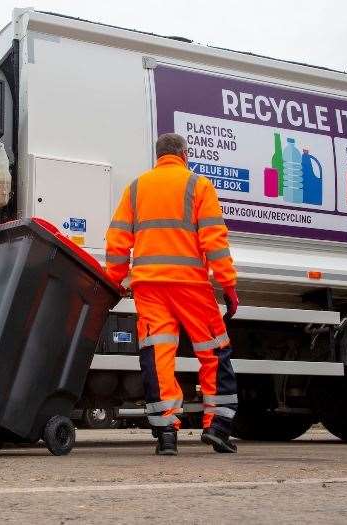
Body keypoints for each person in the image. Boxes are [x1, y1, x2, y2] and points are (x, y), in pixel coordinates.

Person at [105, 133, 239, 455]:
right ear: (184, 153)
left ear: (158, 155)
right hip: (191, 286)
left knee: (158, 355)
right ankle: (218, 428)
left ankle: (166, 435)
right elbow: (214, 242)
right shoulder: (199, 186)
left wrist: (115, 280)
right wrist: (229, 286)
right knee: (213, 351)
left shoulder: (136, 188)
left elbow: (118, 240)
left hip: (150, 287)